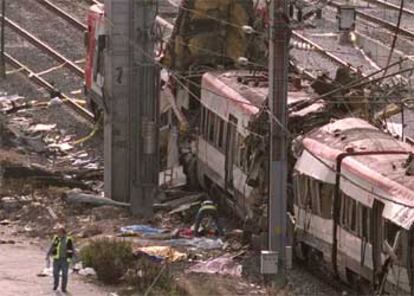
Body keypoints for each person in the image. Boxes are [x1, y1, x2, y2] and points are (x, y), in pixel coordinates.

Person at [46, 225, 75, 293]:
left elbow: (72, 249)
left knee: (64, 274)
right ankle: (55, 285)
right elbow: (52, 246)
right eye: (57, 232)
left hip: (65, 260)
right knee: (55, 273)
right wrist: (48, 254)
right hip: (56, 259)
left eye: (59, 232)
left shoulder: (68, 239)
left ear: (63, 233)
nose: (58, 234)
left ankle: (63, 288)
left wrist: (74, 258)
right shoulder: (56, 238)